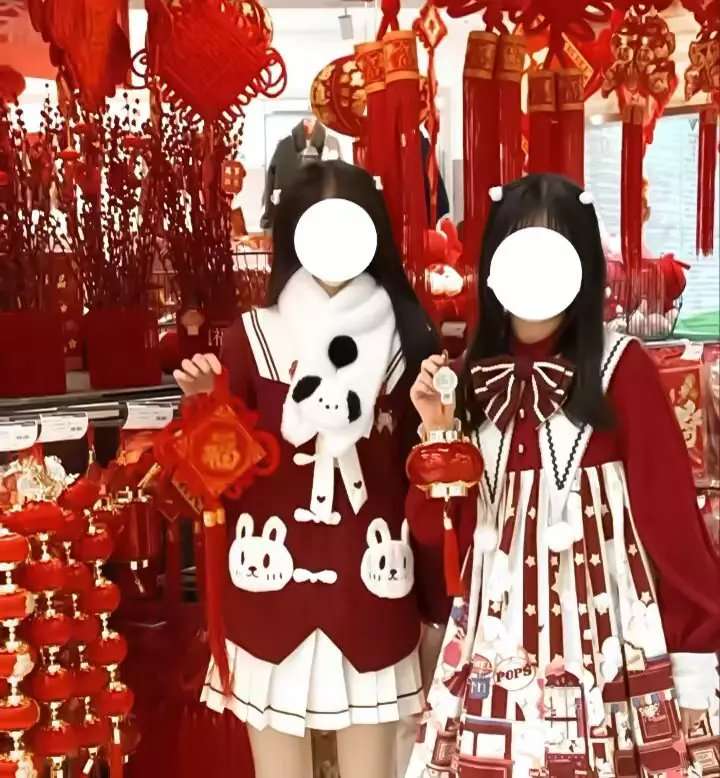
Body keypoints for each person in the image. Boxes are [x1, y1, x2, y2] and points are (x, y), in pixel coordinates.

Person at [404, 173, 720, 777]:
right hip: (496, 648)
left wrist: (695, 650)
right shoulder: (464, 379)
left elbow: (672, 526)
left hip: (606, 645)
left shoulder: (622, 369)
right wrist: (439, 435)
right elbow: (441, 540)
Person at [173, 160, 448, 778]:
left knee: (375, 771)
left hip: (372, 591)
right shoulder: (251, 337)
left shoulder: (410, 341)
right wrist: (205, 413)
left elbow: (425, 477)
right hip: (268, 595)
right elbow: (219, 479)